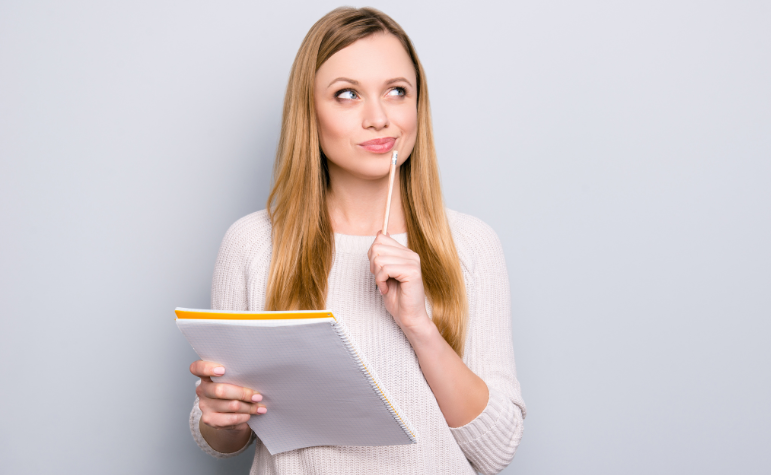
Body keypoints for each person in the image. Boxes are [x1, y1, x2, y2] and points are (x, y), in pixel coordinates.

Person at [187, 7, 525, 474]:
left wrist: (419, 326)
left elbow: (498, 449)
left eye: (397, 91)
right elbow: (224, 440)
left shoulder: (470, 244)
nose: (379, 118)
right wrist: (222, 415)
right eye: (347, 94)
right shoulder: (253, 244)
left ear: (418, 104)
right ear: (310, 111)